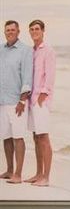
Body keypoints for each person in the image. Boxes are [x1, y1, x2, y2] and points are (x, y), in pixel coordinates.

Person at [0, 20, 32, 184]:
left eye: (13, 30)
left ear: (18, 31)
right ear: (4, 32)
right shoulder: (1, 50)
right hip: (2, 101)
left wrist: (22, 100)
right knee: (6, 137)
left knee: (18, 137)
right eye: (7, 30)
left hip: (17, 101)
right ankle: (9, 170)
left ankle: (18, 174)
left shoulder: (25, 51)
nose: (10, 32)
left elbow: (27, 76)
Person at [25, 19, 55, 186]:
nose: (34, 31)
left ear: (43, 31)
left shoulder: (48, 50)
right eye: (31, 29)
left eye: (37, 29)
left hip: (41, 100)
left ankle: (46, 177)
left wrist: (44, 94)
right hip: (31, 100)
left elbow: (50, 75)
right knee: (36, 137)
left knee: (43, 137)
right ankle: (38, 174)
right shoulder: (31, 52)